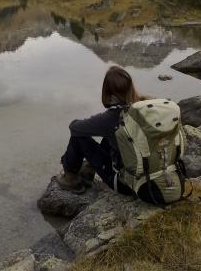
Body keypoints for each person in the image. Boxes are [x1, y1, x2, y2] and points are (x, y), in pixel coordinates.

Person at [57, 65, 163, 203]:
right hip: (157, 175)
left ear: (109, 94)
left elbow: (75, 128)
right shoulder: (148, 104)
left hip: (126, 184)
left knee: (79, 138)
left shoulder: (112, 117)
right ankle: (88, 170)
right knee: (114, 136)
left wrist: (101, 118)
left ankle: (70, 179)